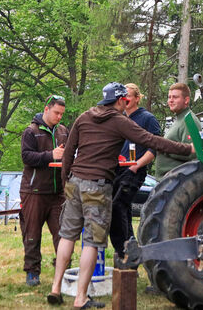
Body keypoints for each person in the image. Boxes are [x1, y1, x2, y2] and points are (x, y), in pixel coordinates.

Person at [47, 82, 193, 310]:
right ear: (120, 100)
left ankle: (55, 288)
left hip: (74, 183)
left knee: (67, 235)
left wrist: (66, 180)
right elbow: (151, 141)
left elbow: (68, 153)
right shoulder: (119, 120)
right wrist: (188, 149)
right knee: (91, 242)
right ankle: (80, 298)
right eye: (124, 101)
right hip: (97, 185)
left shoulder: (84, 117)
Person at [19, 95, 68, 287]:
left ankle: (63, 270)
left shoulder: (64, 131)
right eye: (56, 112)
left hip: (58, 192)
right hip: (34, 190)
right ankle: (32, 271)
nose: (59, 117)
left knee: (63, 233)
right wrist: (51, 155)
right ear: (46, 109)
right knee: (32, 233)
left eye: (62, 114)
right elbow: (26, 157)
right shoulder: (31, 131)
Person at [108, 83, 159, 260]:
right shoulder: (118, 117)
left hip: (134, 171)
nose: (126, 99)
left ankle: (126, 251)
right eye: (123, 97)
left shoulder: (147, 118)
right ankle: (129, 251)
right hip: (117, 170)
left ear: (137, 98)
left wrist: (136, 165)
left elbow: (154, 148)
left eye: (129, 96)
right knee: (124, 211)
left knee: (118, 206)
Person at [152, 83, 195, 178]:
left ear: (186, 100)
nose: (170, 100)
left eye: (175, 97)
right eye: (169, 97)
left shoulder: (189, 120)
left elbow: (193, 154)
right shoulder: (180, 119)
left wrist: (164, 148)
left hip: (177, 181)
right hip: (168, 180)